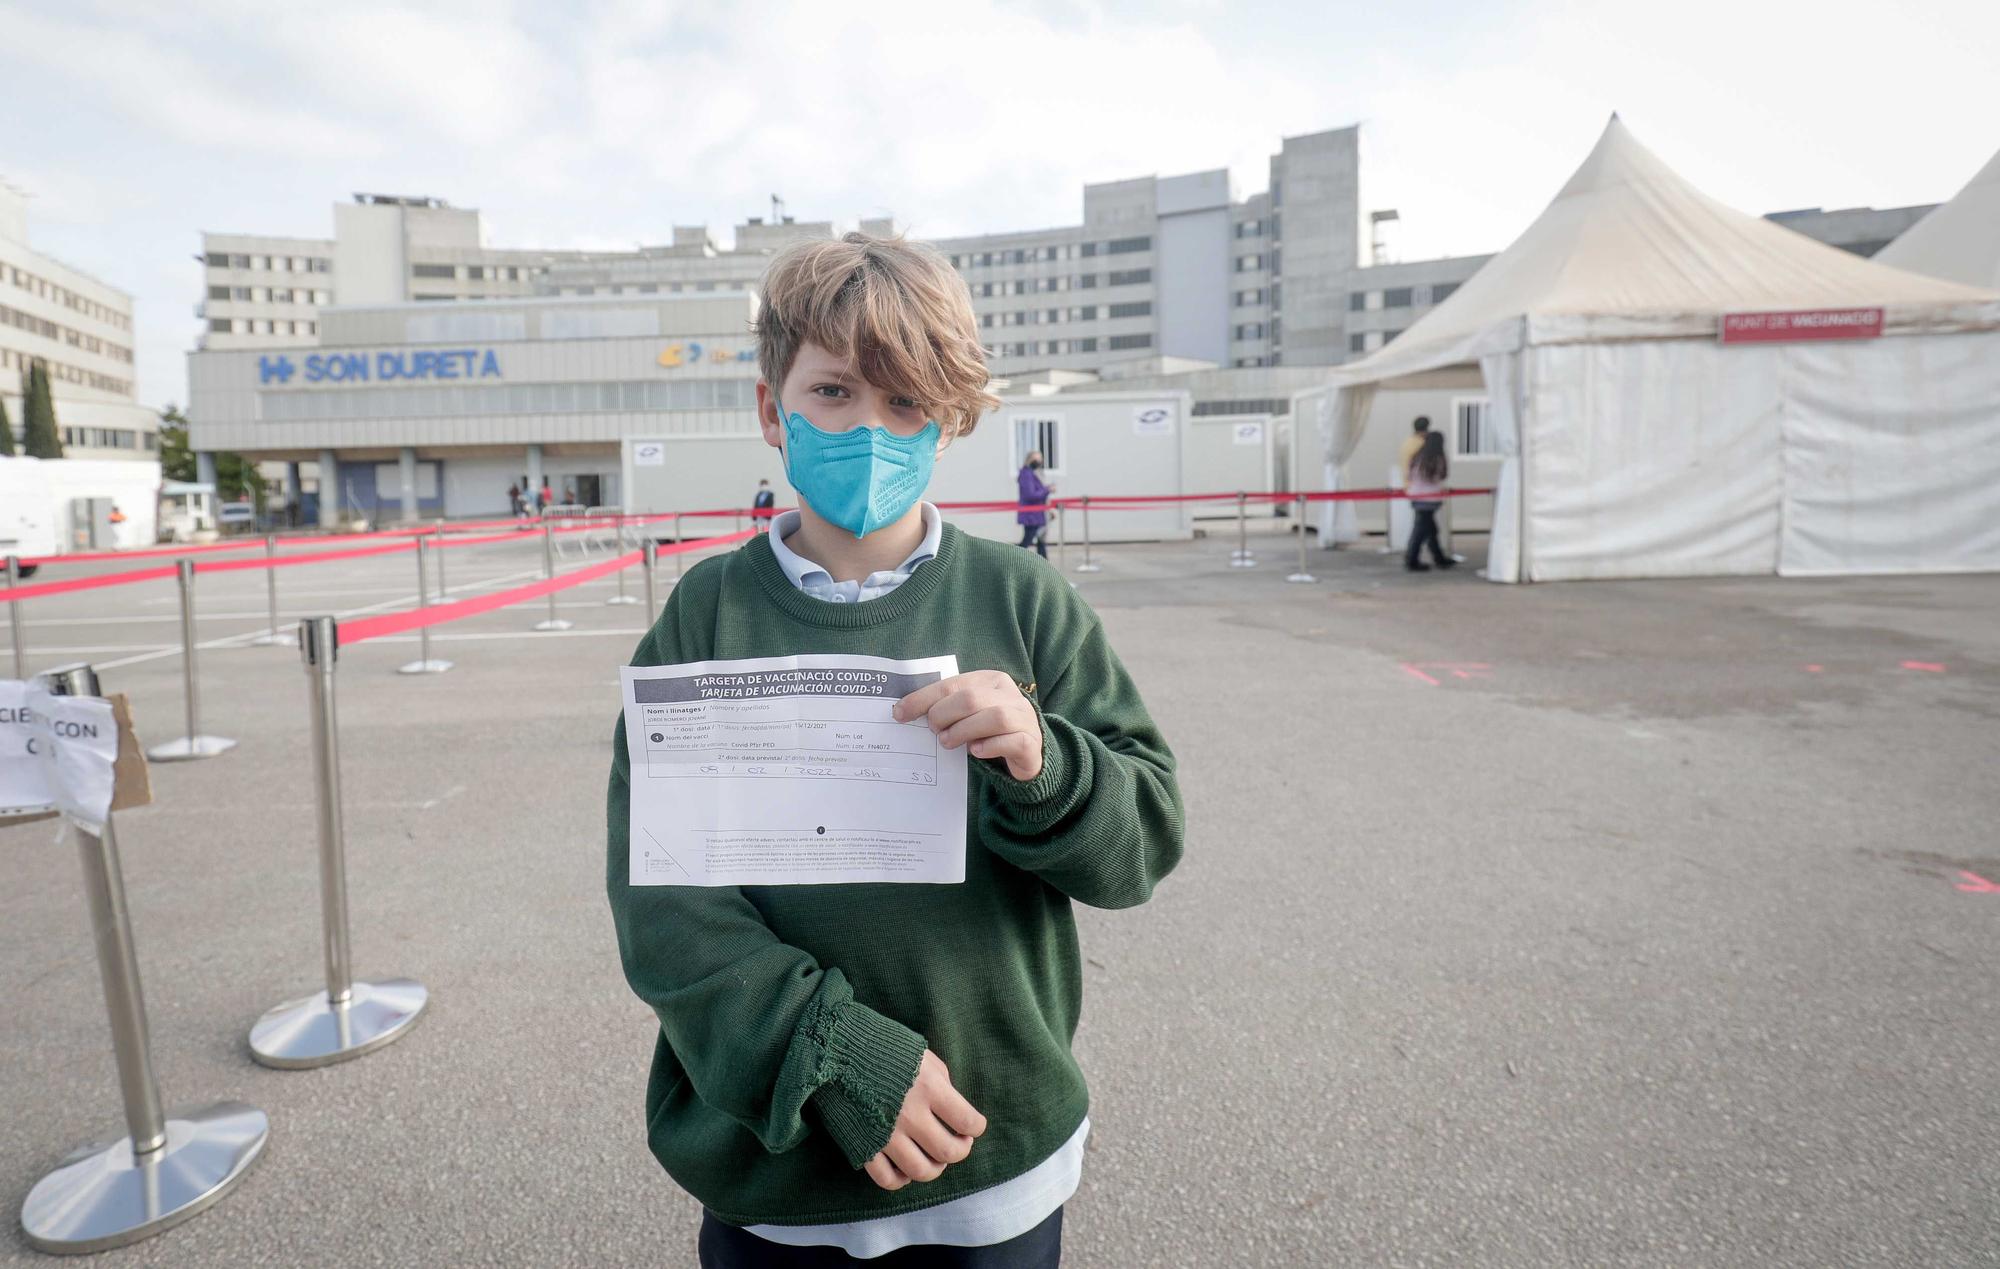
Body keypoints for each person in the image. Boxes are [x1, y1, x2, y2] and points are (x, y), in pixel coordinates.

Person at [607, 233, 1183, 1269]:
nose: (867, 429)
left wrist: (1046, 767)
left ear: (946, 422)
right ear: (768, 410)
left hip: (994, 1156)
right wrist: (827, 1054)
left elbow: (1142, 843)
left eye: (905, 403)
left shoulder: (1024, 600)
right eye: (831, 392)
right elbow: (665, 905)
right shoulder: (705, 614)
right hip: (776, 1174)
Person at [1404, 430, 1455, 573]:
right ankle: (1412, 560)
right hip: (1430, 499)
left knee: (1429, 530)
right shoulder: (1437, 459)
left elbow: (1410, 476)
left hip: (1416, 497)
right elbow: (1439, 477)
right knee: (1422, 531)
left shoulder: (1417, 456)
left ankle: (1438, 558)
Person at [1016, 451, 1051, 558]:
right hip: (1031, 515)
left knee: (1041, 542)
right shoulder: (1026, 474)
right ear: (1029, 460)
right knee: (1027, 541)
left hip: (1038, 514)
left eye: (1040, 459)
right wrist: (1047, 490)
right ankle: (1013, 560)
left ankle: (1045, 568)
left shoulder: (1034, 473)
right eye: (1037, 459)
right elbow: (1030, 495)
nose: (1039, 461)